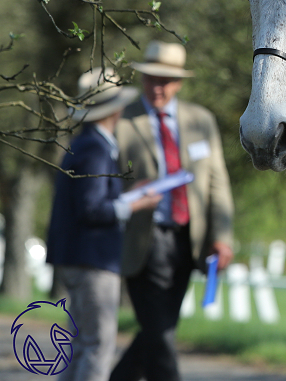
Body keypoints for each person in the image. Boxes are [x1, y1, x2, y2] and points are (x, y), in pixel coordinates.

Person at [110, 41, 235, 381]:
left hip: (188, 241)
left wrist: (221, 237)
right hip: (142, 241)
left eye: (166, 80)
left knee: (159, 330)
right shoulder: (122, 121)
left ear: (179, 83)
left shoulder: (201, 121)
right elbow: (105, 184)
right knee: (161, 335)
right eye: (152, 78)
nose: (158, 87)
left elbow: (216, 185)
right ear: (142, 78)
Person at [46, 70, 161, 381]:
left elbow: (91, 199)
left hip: (78, 256)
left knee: (81, 343)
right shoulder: (96, 149)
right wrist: (137, 203)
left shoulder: (84, 145)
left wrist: (129, 195)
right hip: (93, 259)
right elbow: (93, 210)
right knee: (98, 344)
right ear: (115, 110)